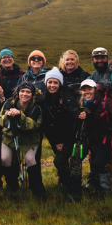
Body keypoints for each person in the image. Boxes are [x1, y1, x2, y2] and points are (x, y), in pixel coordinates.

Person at [0, 83, 46, 200]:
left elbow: (33, 125)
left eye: (28, 92)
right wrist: (7, 115)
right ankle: (12, 186)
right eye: (22, 91)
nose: (24, 94)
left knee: (30, 159)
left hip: (30, 138)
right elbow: (0, 120)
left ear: (32, 94)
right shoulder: (9, 103)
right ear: (18, 92)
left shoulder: (36, 108)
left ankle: (38, 190)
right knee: (5, 159)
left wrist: (20, 115)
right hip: (10, 136)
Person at [39, 68, 81, 200]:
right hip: (55, 136)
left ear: (60, 84)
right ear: (46, 83)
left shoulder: (66, 95)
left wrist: (61, 141)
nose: (52, 85)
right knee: (62, 161)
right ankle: (66, 184)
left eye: (55, 82)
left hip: (70, 135)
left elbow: (70, 115)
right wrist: (56, 141)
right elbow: (47, 123)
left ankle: (73, 188)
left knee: (59, 161)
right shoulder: (45, 98)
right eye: (50, 82)